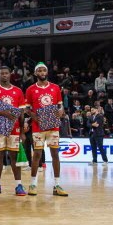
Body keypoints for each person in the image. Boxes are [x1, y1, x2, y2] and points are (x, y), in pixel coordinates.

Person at [25, 63, 69, 197]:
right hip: (38, 127)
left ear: (47, 72)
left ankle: (57, 185)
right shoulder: (30, 89)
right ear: (35, 73)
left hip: (53, 126)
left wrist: (61, 112)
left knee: (55, 154)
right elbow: (27, 109)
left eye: (44, 70)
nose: (42, 72)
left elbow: (60, 106)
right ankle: (33, 184)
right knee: (37, 154)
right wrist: (35, 118)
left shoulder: (55, 88)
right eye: (39, 70)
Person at [0, 66, 27, 196]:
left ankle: (18, 185)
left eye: (6, 73)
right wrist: (2, 113)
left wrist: (22, 132)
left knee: (14, 156)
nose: (4, 75)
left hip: (14, 130)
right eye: (2, 73)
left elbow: (21, 113)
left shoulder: (18, 91)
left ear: (10, 75)